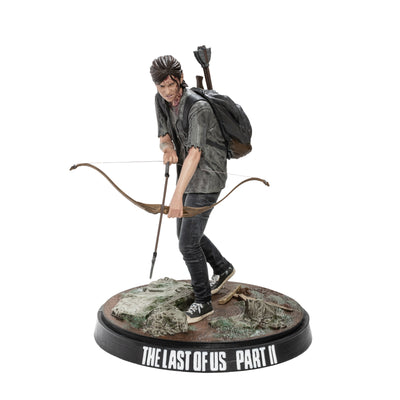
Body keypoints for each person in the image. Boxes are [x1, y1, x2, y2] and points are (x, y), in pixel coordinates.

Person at [150, 55, 235, 324]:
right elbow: (164, 136)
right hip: (186, 172)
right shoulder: (161, 100)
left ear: (180, 79)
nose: (166, 91)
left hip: (208, 175)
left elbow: (196, 152)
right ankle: (222, 268)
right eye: (161, 86)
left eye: (170, 85)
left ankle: (203, 301)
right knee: (186, 234)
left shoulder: (198, 107)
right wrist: (168, 148)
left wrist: (177, 195)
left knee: (187, 243)